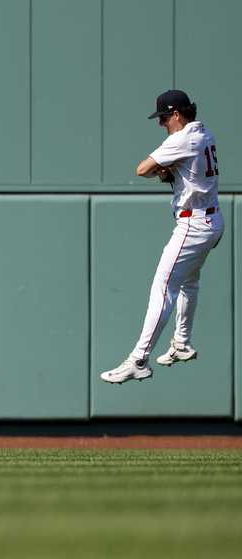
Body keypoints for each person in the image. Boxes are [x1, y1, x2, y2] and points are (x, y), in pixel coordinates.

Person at [100, 90, 223, 384]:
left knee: (163, 287)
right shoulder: (205, 133)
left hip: (192, 225)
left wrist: (159, 169)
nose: (162, 124)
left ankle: (138, 360)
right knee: (188, 283)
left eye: (164, 118)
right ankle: (181, 342)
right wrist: (168, 172)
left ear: (178, 115)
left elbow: (141, 169)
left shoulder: (181, 138)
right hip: (212, 219)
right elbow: (187, 172)